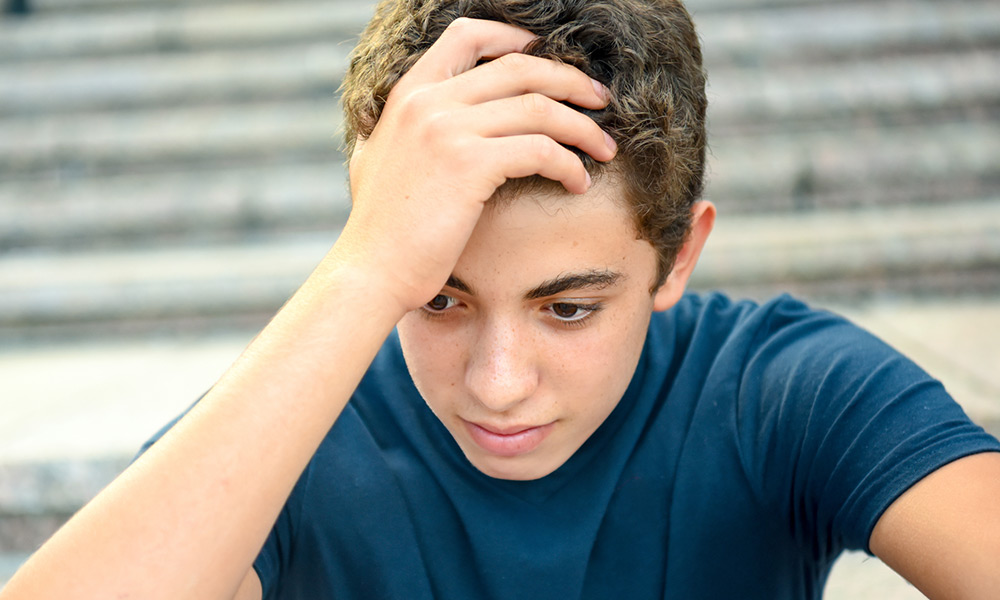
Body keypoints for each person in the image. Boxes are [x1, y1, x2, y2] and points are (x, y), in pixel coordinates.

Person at [3, 0, 1000, 598]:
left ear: (676, 257)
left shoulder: (777, 392)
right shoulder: (294, 438)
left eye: (568, 308)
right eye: (438, 298)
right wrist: (364, 272)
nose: (498, 383)